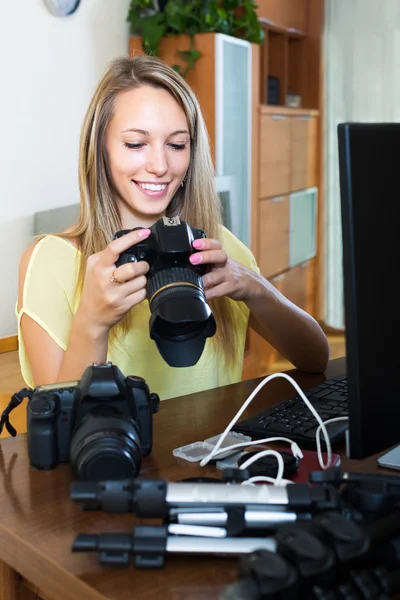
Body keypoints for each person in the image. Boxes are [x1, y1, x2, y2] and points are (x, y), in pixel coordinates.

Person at [17, 55, 330, 400]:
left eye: (177, 144)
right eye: (135, 144)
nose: (160, 166)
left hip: (215, 452)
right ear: (100, 149)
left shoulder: (218, 248)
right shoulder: (51, 262)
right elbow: (63, 428)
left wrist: (254, 286)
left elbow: (315, 359)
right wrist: (92, 322)